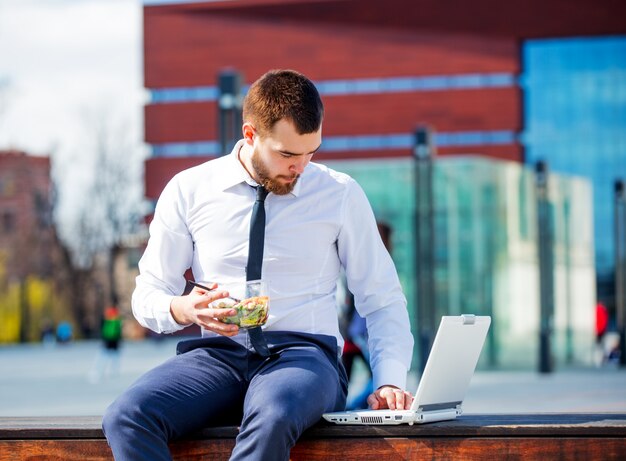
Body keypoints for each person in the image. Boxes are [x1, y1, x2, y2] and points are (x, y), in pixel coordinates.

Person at [102, 69, 414, 461]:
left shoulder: (339, 194)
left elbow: (381, 297)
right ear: (250, 135)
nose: (300, 167)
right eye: (287, 154)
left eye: (311, 151)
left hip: (305, 357)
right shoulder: (189, 189)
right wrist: (183, 308)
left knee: (273, 414)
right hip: (216, 356)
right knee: (127, 417)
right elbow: (147, 292)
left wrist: (388, 381)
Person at [89, 306, 123, 382]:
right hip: (115, 342)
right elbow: (118, 333)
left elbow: (104, 332)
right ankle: (113, 372)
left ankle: (98, 371)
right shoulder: (117, 321)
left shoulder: (107, 321)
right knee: (115, 359)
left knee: (102, 357)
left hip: (107, 341)